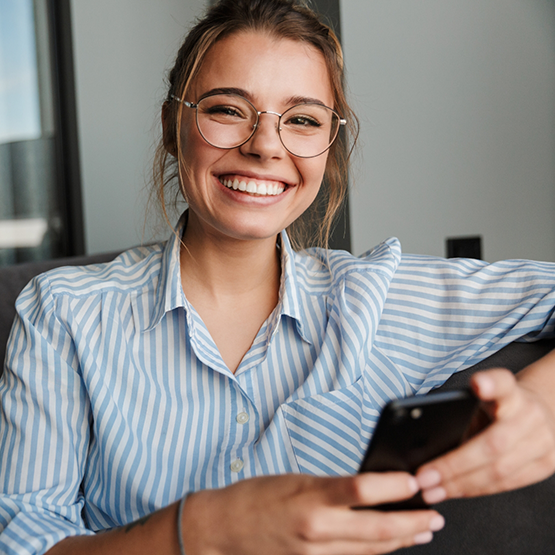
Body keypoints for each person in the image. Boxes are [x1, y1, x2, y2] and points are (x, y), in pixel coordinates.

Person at [1, 1, 555, 554]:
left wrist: (540, 404)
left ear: (328, 147)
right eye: (227, 109)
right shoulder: (63, 312)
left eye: (303, 120)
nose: (265, 146)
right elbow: (24, 542)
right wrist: (200, 531)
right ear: (175, 126)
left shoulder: (374, 298)